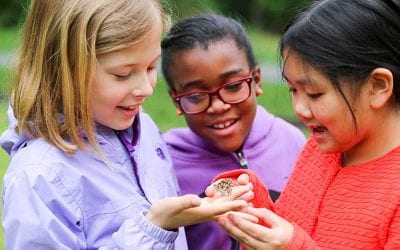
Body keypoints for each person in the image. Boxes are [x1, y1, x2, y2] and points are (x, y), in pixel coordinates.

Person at [0, 1, 253, 249]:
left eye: (152, 66)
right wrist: (154, 230)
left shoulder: (142, 127)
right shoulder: (38, 177)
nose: (146, 89)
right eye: (122, 74)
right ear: (64, 69)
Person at [211, 0, 400, 248]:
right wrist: (250, 202)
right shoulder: (319, 149)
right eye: (292, 89)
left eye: (314, 94)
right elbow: (289, 229)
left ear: (377, 86)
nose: (299, 109)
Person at [160, 14, 306, 250]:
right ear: (176, 101)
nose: (218, 106)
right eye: (196, 96)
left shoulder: (293, 142)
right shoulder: (165, 163)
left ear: (256, 80)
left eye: (233, 86)